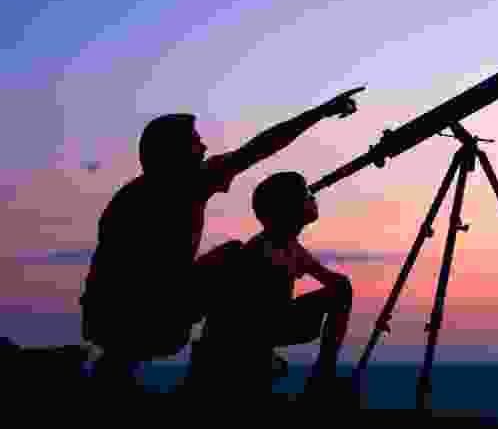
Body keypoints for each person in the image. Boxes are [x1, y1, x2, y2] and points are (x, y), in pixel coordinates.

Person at [79, 87, 363, 392]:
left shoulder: (148, 193)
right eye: (195, 142)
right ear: (173, 152)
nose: (203, 148)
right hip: (138, 312)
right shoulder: (168, 192)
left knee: (230, 258)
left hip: (122, 312)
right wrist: (320, 113)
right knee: (232, 256)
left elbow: (259, 148)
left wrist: (320, 113)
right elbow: (259, 148)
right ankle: (241, 355)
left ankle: (121, 368)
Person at [189, 171, 353, 397]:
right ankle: (316, 377)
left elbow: (335, 285)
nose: (312, 196)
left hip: (268, 323)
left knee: (342, 288)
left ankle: (323, 374)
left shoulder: (290, 247)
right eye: (305, 193)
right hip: (244, 336)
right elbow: (233, 313)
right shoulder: (260, 250)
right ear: (289, 208)